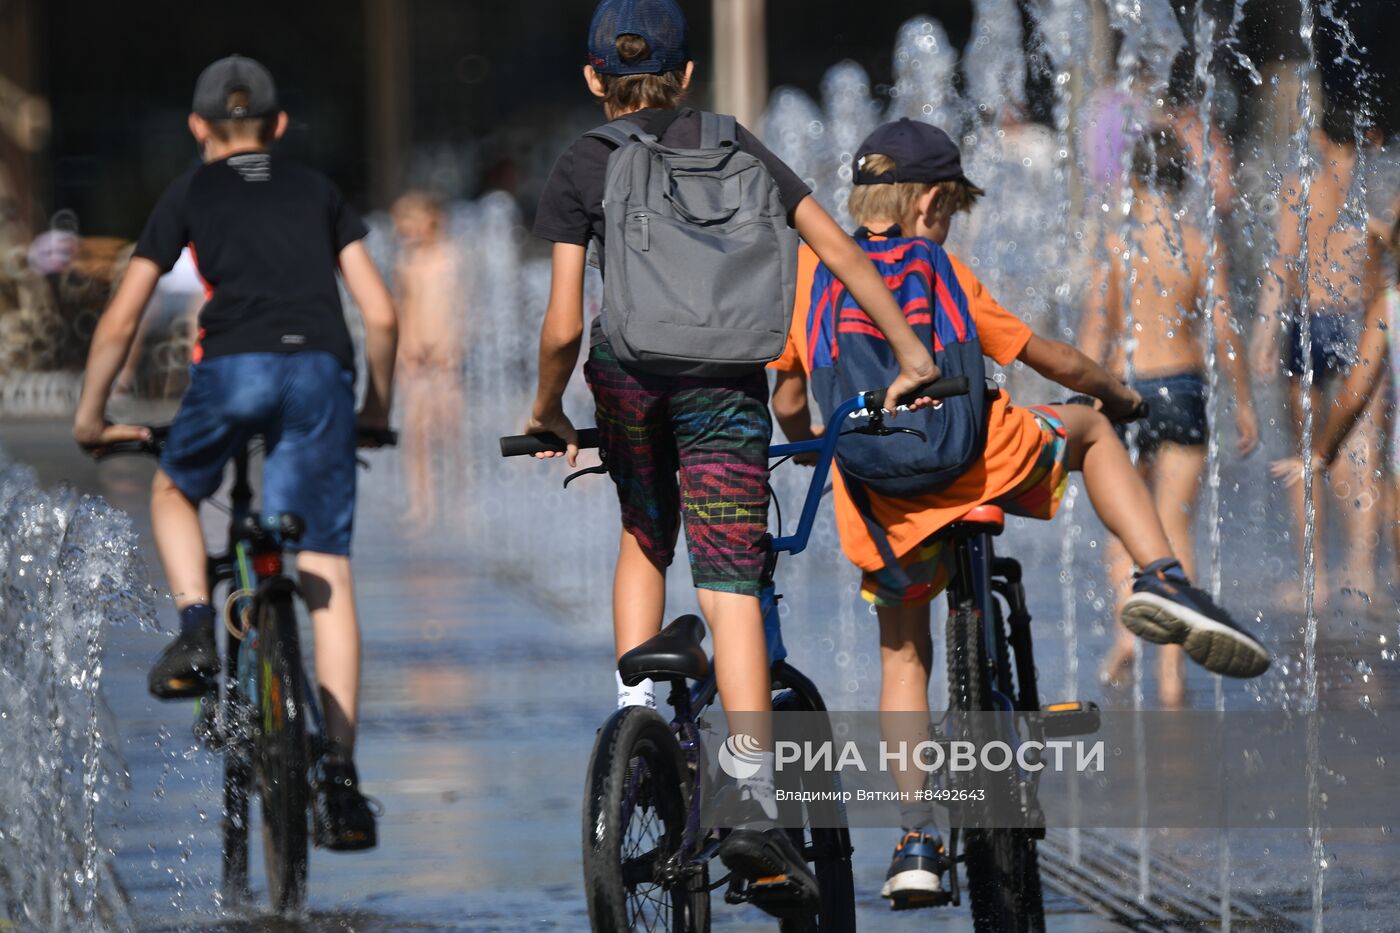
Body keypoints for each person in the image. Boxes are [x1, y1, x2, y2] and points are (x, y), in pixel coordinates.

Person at [769, 118, 1270, 908]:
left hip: (881, 500)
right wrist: (1116, 392)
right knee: (1091, 430)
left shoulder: (812, 274)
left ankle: (917, 838)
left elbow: (790, 396)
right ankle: (1162, 576)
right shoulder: (942, 270)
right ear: (929, 201)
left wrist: (817, 450)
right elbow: (1047, 358)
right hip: (978, 461)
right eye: (952, 208)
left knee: (903, 658)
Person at [523, 0, 939, 907]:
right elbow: (834, 245)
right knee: (732, 580)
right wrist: (912, 352)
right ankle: (749, 804)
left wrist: (548, 407)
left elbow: (562, 325)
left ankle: (637, 735)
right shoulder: (738, 143)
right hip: (725, 383)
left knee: (643, 531)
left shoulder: (584, 162)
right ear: (686, 79)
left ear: (595, 79)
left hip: (630, 381)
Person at [72, 56, 398, 851]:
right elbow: (382, 314)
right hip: (320, 372)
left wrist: (92, 416)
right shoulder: (319, 190)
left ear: (197, 128)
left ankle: (193, 627)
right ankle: (343, 781)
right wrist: (373, 409)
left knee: (175, 491)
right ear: (279, 127)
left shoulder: (189, 191)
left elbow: (121, 318)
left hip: (234, 370)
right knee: (325, 564)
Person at [1081, 128, 1260, 707]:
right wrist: (1247, 404)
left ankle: (1126, 638)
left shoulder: (1114, 244)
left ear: (1132, 179)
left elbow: (1096, 328)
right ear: (1183, 180)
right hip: (1183, 385)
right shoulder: (1201, 244)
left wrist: (1081, 398)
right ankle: (1172, 677)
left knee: (1123, 530)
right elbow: (1224, 330)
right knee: (1174, 529)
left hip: (1124, 386)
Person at [1250, 104, 1391, 609]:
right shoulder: (1376, 189)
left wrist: (1265, 331)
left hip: (1309, 320)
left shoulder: (1300, 186)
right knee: (1363, 450)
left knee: (1305, 450)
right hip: (1361, 321)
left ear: (1315, 133)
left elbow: (1283, 259)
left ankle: (1313, 576)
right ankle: (1360, 571)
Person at [1273, 214, 1400, 593]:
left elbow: (1355, 393)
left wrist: (1323, 454)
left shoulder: (1389, 307)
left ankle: (1330, 578)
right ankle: (1367, 573)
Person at [392, 190, 468, 532]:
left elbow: (463, 307)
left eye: (409, 221)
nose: (403, 229)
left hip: (445, 356)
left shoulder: (452, 257)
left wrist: (455, 344)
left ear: (431, 219)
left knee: (451, 432)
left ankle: (460, 503)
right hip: (416, 354)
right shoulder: (406, 262)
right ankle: (422, 503)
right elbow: (403, 307)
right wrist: (402, 349)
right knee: (416, 434)